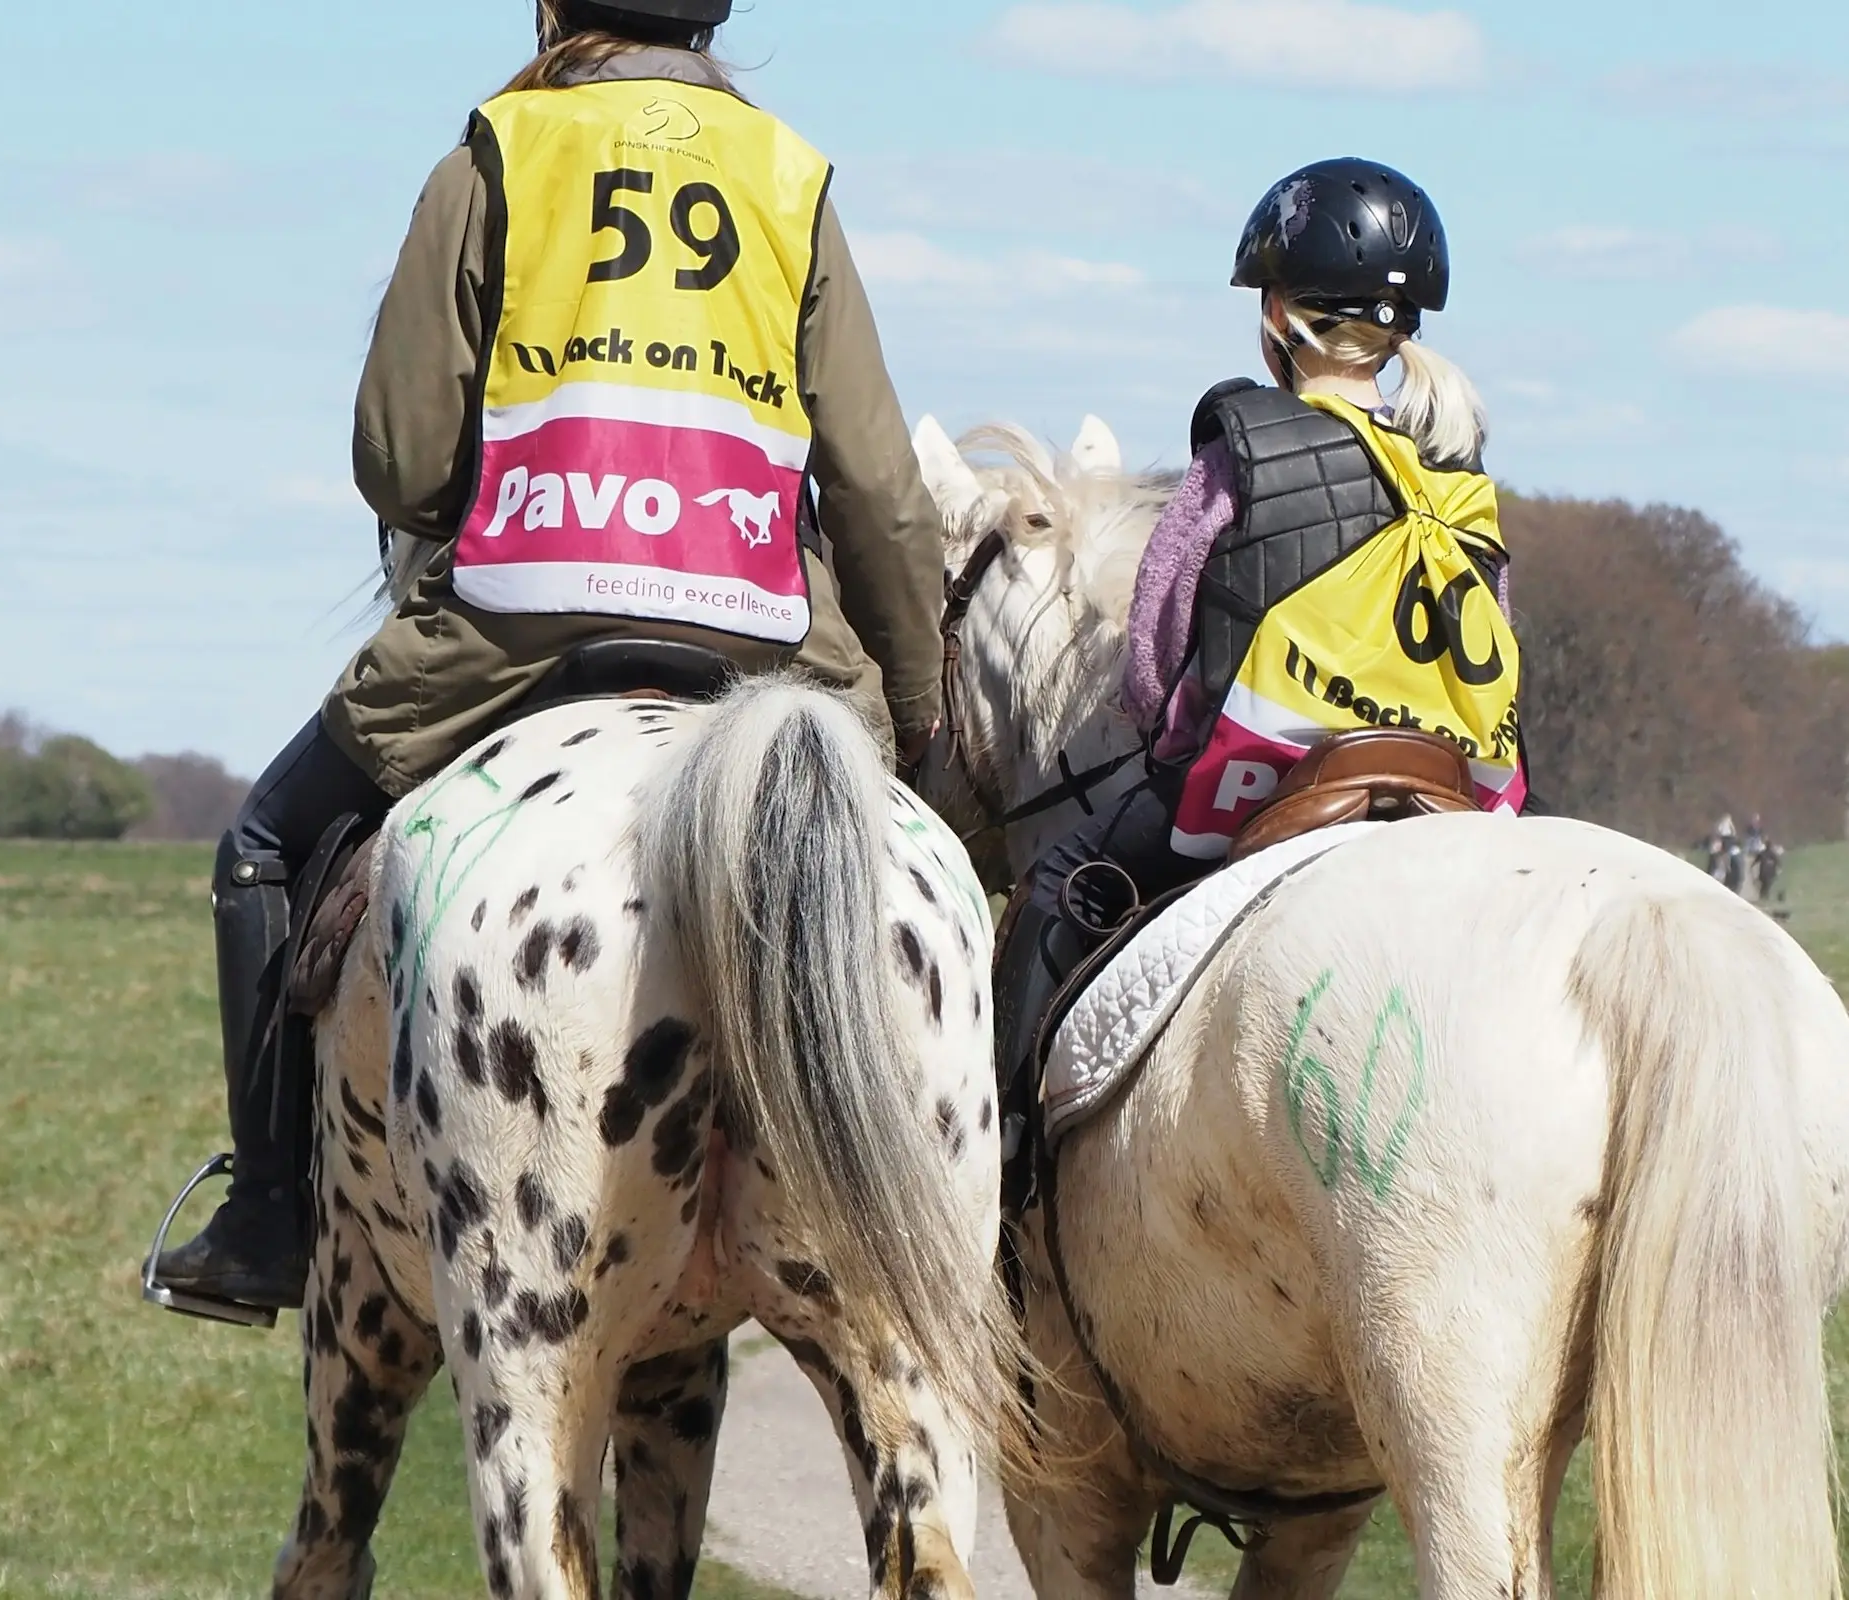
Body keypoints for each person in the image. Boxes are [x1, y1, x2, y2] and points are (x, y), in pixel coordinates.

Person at [150, 0, 948, 1316]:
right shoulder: (791, 177)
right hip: (762, 629)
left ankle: (271, 1215)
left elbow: (397, 458)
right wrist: (911, 706)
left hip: (514, 623)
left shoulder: (495, 155)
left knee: (266, 845)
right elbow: (876, 485)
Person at [993, 158, 1524, 1156]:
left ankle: (1011, 1163)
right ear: (1398, 333)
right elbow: (1496, 642)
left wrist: (1170, 728)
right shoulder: (1458, 474)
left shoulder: (1240, 449)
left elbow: (1153, 661)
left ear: (1280, 316)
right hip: (1455, 782)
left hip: (1259, 777)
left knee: (1059, 882)